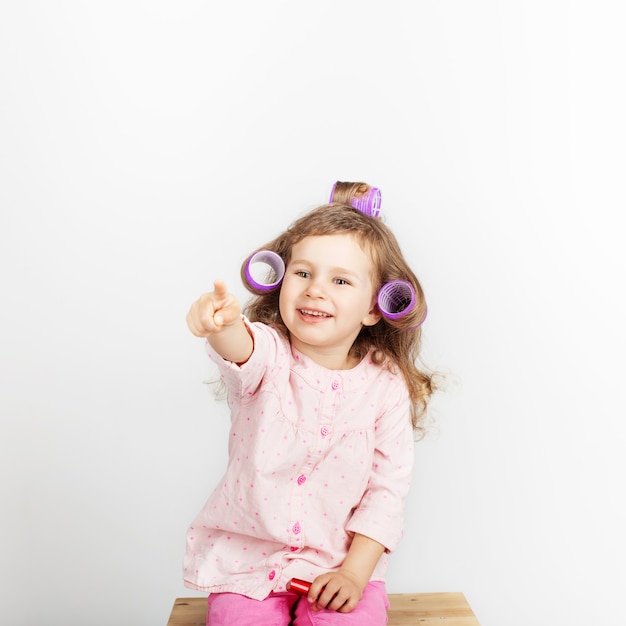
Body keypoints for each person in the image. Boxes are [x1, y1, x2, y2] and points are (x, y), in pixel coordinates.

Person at [184, 181, 435, 626]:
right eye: (303, 273)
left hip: (340, 565)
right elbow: (239, 347)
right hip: (249, 561)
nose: (316, 290)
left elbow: (386, 491)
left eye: (340, 280)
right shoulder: (270, 354)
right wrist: (220, 324)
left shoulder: (385, 386)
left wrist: (355, 575)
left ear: (374, 308)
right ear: (281, 280)